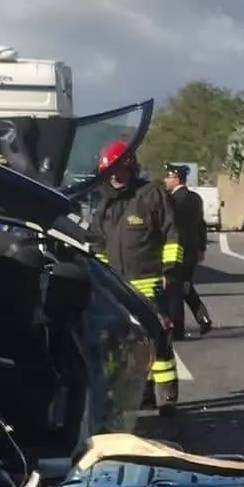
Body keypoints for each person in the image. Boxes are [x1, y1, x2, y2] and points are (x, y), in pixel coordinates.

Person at [90, 140, 183, 414]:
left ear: (131, 168)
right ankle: (143, 393)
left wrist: (170, 271)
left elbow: (172, 235)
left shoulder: (151, 195)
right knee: (128, 345)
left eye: (120, 170)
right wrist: (100, 276)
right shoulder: (105, 204)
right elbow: (97, 244)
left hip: (151, 282)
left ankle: (167, 398)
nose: (116, 177)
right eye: (111, 172)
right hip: (118, 286)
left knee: (159, 343)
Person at [162, 164, 213, 339]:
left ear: (176, 178)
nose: (165, 180)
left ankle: (177, 329)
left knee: (175, 289)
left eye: (168, 177)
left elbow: (167, 225)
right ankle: (203, 318)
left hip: (176, 249)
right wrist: (201, 247)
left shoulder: (171, 200)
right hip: (192, 251)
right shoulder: (196, 198)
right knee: (185, 287)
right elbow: (201, 225)